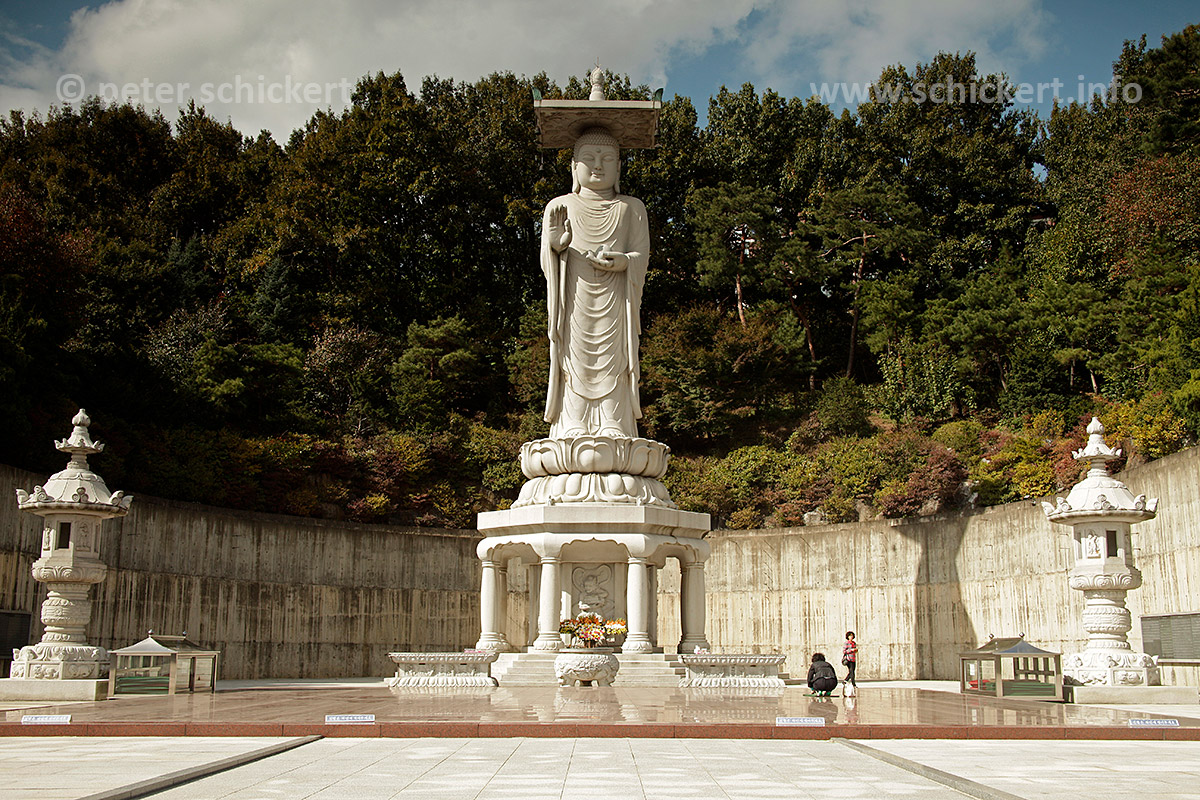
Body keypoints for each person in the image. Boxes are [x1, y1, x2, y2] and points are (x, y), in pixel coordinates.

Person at [541, 126, 650, 438]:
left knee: (614, 357)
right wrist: (555, 247)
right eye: (589, 159)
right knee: (575, 357)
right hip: (574, 300)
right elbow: (547, 263)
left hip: (616, 298)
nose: (598, 166)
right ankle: (573, 422)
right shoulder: (560, 206)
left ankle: (613, 421)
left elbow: (641, 254)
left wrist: (625, 262)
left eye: (607, 159)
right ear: (574, 167)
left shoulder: (631, 207)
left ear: (619, 168)